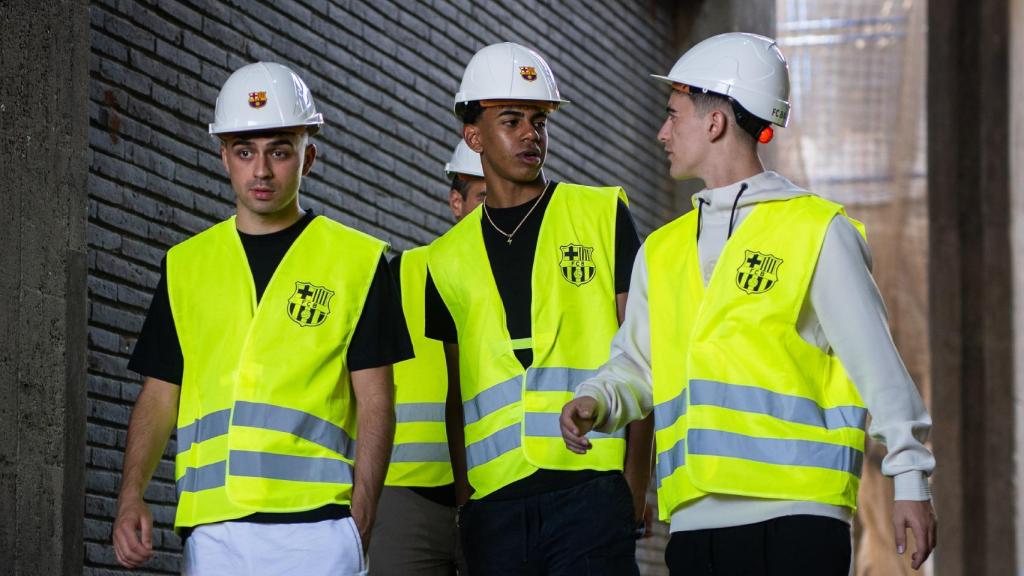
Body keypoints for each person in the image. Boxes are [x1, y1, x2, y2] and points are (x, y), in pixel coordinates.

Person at [560, 32, 937, 575]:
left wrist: (910, 480)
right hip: (694, 524)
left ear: (714, 124)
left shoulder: (816, 231)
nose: (662, 133)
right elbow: (639, 364)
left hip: (797, 518)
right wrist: (597, 399)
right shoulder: (661, 251)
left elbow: (877, 366)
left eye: (673, 115)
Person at [111, 61, 412, 575]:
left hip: (318, 528)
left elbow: (377, 399)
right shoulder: (186, 264)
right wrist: (130, 495)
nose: (262, 171)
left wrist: (359, 518)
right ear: (224, 157)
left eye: (280, 151)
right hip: (214, 530)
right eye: (245, 152)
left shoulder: (358, 262)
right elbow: (160, 393)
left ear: (307, 157)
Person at [424, 42, 654, 576]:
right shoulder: (445, 259)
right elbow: (457, 395)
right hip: (494, 504)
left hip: (592, 487)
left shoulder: (601, 214)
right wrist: (466, 500)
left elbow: (643, 354)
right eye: (511, 120)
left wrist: (634, 484)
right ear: (474, 135)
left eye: (539, 120)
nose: (531, 133)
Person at [368, 141, 485, 575]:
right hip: (407, 496)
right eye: (482, 197)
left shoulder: (529, 275)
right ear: (456, 202)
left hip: (496, 489)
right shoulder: (401, 273)